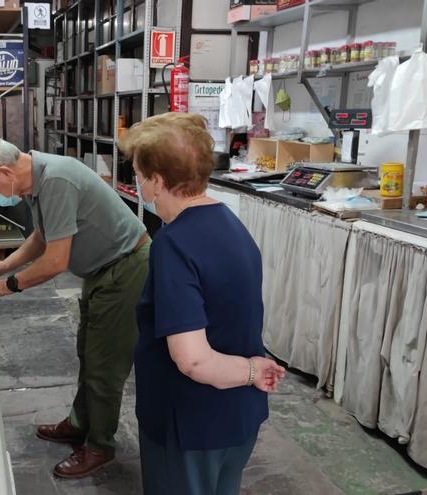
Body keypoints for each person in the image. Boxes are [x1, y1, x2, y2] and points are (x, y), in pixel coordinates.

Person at [119, 112, 286, 495]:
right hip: (235, 419)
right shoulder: (230, 223)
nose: (138, 182)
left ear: (157, 181)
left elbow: (192, 358)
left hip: (191, 424)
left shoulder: (174, 244)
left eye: (139, 174)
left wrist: (250, 371)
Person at [0, 138, 150, 478]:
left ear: (4, 172)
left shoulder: (56, 179)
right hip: (101, 268)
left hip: (124, 268)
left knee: (105, 363)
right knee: (88, 353)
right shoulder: (35, 181)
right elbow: (42, 235)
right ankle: (80, 423)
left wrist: (7, 286)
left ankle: (99, 445)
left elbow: (55, 261)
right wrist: (4, 266)